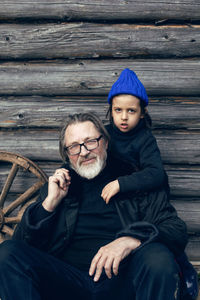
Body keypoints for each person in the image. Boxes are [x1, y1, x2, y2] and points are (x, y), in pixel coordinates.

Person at [0, 112, 188, 300]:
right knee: (7, 253)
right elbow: (20, 248)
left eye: (90, 141)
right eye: (74, 146)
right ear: (66, 154)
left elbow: (176, 229)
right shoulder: (59, 186)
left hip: (121, 282)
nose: (84, 151)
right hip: (67, 283)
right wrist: (48, 205)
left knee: (157, 257)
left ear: (105, 142)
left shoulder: (134, 180)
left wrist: (131, 239)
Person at [101, 68, 198, 300]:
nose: (124, 117)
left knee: (160, 233)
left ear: (142, 113)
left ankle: (182, 270)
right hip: (122, 202)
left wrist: (121, 184)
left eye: (131, 111)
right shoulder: (104, 135)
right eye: (118, 110)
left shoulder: (144, 139)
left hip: (148, 197)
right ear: (111, 111)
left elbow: (156, 174)